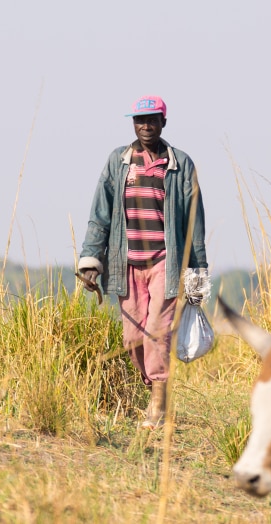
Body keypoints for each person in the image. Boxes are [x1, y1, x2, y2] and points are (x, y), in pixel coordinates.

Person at [77, 95, 209, 429]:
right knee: (132, 339)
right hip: (126, 264)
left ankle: (158, 404)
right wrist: (91, 261)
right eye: (139, 120)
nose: (145, 126)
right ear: (133, 124)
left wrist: (197, 282)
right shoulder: (118, 163)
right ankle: (154, 387)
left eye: (151, 120)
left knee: (156, 332)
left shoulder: (180, 165)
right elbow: (100, 216)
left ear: (163, 122)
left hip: (166, 261)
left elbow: (195, 227)